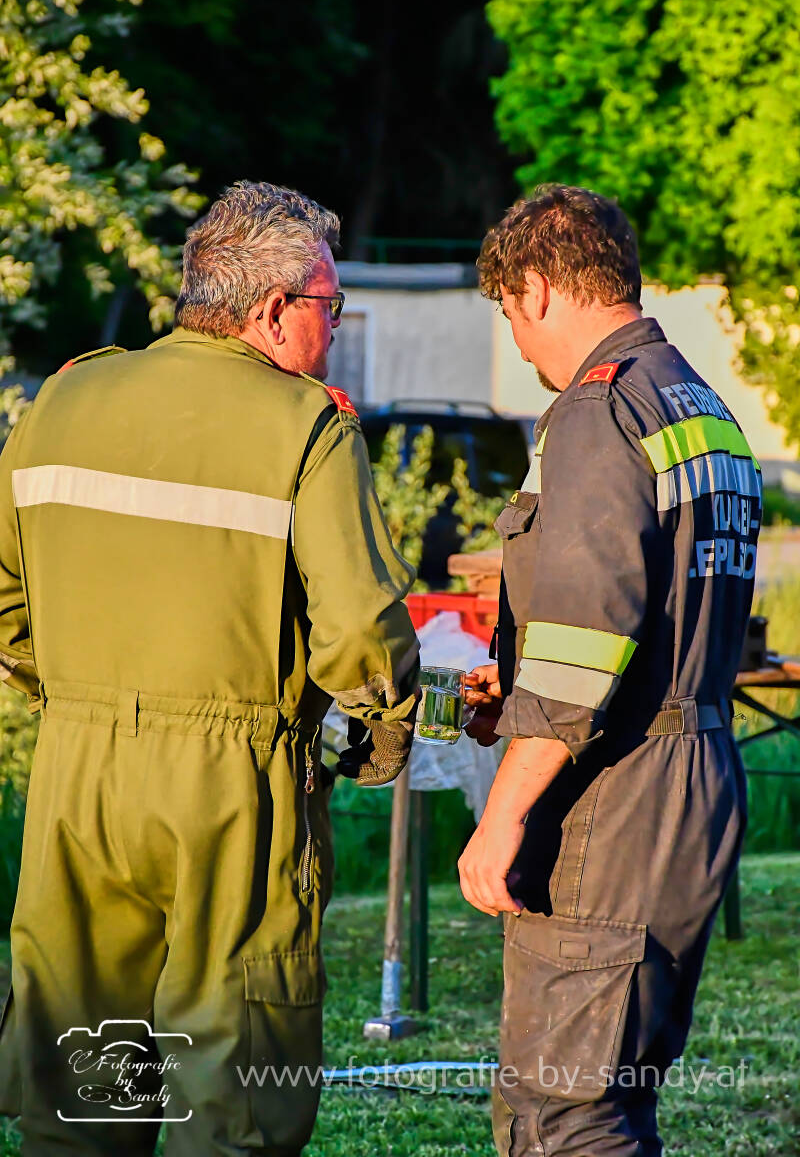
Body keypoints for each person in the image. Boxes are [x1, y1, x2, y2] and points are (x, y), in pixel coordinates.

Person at [0, 181, 419, 1155]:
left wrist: (71, 691)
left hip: (75, 775)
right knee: (228, 1101)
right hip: (232, 787)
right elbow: (359, 630)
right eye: (332, 309)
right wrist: (375, 743)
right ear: (274, 309)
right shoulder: (307, 425)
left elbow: (5, 596)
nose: (334, 330)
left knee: (79, 1095)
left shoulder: (64, 397)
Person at [460, 185, 760, 1156]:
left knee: (561, 1113)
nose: (516, 341)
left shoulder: (595, 410)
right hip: (696, 778)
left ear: (536, 288)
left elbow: (582, 651)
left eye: (508, 313)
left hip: (618, 795)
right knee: (616, 1095)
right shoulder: (695, 405)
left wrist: (498, 818)